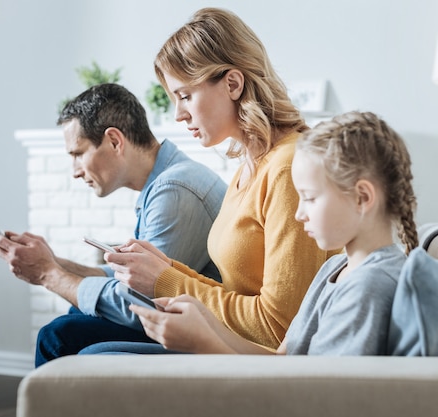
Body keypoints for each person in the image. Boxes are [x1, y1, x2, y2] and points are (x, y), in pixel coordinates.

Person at [77, 7, 338, 356]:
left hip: (255, 359)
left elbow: (279, 327)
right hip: (230, 342)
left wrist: (165, 281)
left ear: (232, 83)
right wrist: (166, 268)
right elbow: (237, 291)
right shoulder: (251, 165)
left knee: (89, 354)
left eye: (185, 96)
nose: (178, 114)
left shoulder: (288, 167)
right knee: (72, 337)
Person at [93, 110, 419, 355]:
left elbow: (315, 396)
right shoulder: (335, 268)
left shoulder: (370, 287)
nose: (299, 212)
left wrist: (205, 343)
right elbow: (282, 360)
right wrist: (204, 322)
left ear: (362, 197)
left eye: (310, 198)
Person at [0, 83, 227, 366]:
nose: (76, 171)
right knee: (75, 314)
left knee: (56, 336)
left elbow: (141, 304)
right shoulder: (164, 182)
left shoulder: (174, 189)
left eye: (78, 153)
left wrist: (48, 274)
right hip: (184, 316)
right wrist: (53, 261)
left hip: (206, 330)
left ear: (115, 141)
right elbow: (128, 278)